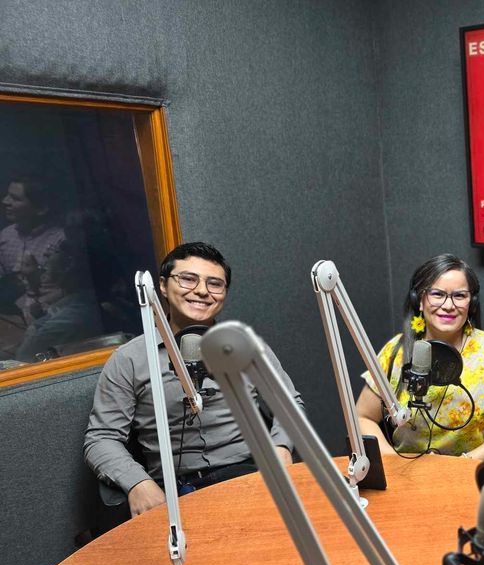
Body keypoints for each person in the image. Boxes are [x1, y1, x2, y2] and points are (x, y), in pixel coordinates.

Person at [84, 242, 302, 517]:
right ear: (162, 286)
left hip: (249, 477)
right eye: (188, 279)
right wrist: (137, 483)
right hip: (173, 493)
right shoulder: (129, 359)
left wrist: (281, 448)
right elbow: (101, 438)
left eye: (215, 284)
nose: (201, 291)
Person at [356, 254, 484, 460]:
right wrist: (392, 461)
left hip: (472, 469)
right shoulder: (396, 351)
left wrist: (465, 463)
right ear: (419, 301)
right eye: (437, 294)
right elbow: (363, 416)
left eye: (459, 296)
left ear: (472, 303)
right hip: (406, 472)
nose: (448, 305)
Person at [0, 175, 68, 359]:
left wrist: (35, 277)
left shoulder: (61, 240)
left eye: (15, 198)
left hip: (46, 322)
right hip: (10, 321)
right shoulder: (6, 236)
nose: (5, 202)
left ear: (40, 208)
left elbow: (66, 293)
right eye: (7, 195)